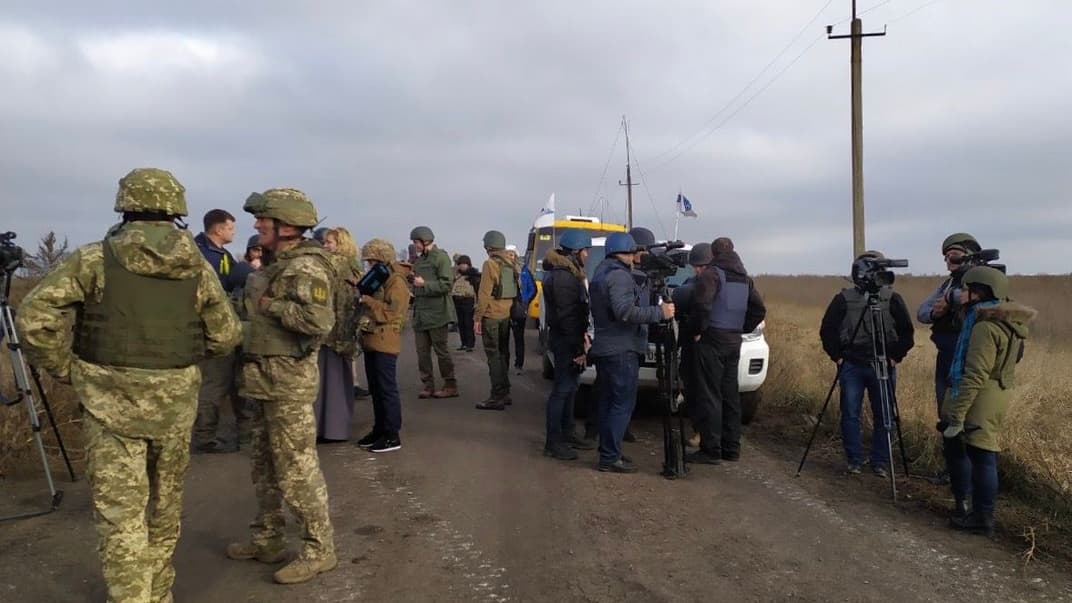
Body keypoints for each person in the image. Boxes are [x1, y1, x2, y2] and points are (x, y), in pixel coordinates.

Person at [16, 168, 242, 603]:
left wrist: (67, 368)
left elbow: (33, 319)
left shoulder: (94, 259)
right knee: (163, 508)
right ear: (177, 212)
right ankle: (157, 593)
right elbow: (226, 335)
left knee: (121, 516)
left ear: (125, 206)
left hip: (108, 405)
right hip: (175, 404)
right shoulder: (197, 266)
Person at [226, 188, 338, 585]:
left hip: (288, 383)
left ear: (287, 226)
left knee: (296, 468)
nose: (256, 226)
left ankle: (319, 549)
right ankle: (269, 537)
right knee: (264, 466)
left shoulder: (305, 267)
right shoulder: (276, 264)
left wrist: (270, 306)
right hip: (261, 378)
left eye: (264, 221)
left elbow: (318, 322)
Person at [939, 266, 1033, 536]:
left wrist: (956, 415)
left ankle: (980, 517)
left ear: (980, 292)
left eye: (968, 289)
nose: (963, 294)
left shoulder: (984, 327)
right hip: (997, 394)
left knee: (980, 457)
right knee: (984, 455)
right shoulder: (1010, 322)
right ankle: (982, 515)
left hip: (980, 399)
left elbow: (975, 374)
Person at [820, 251, 915, 477]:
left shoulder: (892, 298)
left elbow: (907, 333)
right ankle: (854, 460)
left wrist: (894, 357)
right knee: (850, 413)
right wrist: (838, 356)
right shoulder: (844, 299)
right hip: (852, 363)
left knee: (884, 414)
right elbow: (828, 330)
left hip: (883, 363)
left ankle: (880, 461)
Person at [589, 232, 674, 473]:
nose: (638, 257)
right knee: (621, 404)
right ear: (627, 252)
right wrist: (660, 313)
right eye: (634, 252)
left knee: (608, 402)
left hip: (608, 348)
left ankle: (609, 451)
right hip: (621, 349)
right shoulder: (620, 276)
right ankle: (609, 457)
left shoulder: (602, 272)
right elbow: (625, 312)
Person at [682, 239, 766, 464]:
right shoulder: (744, 279)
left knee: (710, 394)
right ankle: (732, 448)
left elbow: (703, 305)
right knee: (731, 396)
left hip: (712, 340)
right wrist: (742, 327)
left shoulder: (712, 274)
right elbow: (759, 309)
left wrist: (698, 330)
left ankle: (710, 449)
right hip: (734, 341)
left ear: (714, 253)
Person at [192, 209, 249, 453]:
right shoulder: (201, 255)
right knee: (214, 384)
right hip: (211, 330)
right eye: (230, 227)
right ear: (218, 229)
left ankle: (245, 434)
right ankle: (205, 438)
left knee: (237, 381)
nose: (233, 232)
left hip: (229, 325)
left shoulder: (222, 254)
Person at [541, 230, 596, 460]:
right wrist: (578, 348)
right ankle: (554, 441)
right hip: (566, 340)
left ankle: (567, 432)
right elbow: (568, 316)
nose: (587, 256)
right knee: (562, 391)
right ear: (575, 252)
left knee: (570, 388)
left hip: (568, 337)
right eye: (585, 251)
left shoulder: (566, 273)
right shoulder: (564, 277)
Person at [354, 239, 413, 453]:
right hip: (372, 339)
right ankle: (379, 429)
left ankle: (391, 434)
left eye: (372, 261)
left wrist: (367, 301)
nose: (369, 265)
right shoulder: (381, 277)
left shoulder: (396, 281)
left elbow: (391, 313)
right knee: (376, 390)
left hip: (385, 340)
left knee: (386, 390)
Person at [313, 227, 362, 442]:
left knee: (324, 382)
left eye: (329, 243)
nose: (325, 246)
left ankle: (324, 428)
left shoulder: (329, 266)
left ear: (340, 244)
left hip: (329, 332)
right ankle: (337, 428)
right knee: (340, 381)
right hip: (344, 332)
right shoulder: (354, 267)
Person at [409, 226, 459, 398]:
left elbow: (447, 285)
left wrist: (425, 284)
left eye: (416, 242)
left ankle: (450, 385)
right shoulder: (419, 261)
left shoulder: (441, 258)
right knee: (422, 353)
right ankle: (428, 385)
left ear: (425, 241)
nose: (415, 245)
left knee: (441, 352)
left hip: (438, 313)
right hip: (421, 314)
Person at [474, 230, 520, 410]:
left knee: (493, 356)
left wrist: (477, 317)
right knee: (503, 353)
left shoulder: (490, 264)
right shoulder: (511, 263)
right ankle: (505, 392)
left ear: (488, 246)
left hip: (492, 315)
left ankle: (496, 396)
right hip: (506, 314)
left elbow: (484, 294)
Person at [504, 244, 535, 375]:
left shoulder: (524, 270)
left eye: (512, 254)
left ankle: (519, 363)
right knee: (503, 338)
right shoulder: (500, 269)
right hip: (504, 308)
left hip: (518, 308)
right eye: (508, 253)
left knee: (518, 338)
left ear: (516, 255)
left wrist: (525, 300)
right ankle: (503, 364)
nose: (510, 256)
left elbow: (533, 289)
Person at [451, 254, 480, 352]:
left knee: (468, 323)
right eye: (461, 264)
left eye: (464, 264)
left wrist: (477, 304)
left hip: (469, 301)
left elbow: (478, 291)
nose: (462, 266)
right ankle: (463, 343)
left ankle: (470, 344)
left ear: (468, 264)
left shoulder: (474, 276)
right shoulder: (457, 275)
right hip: (457, 301)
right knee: (461, 323)